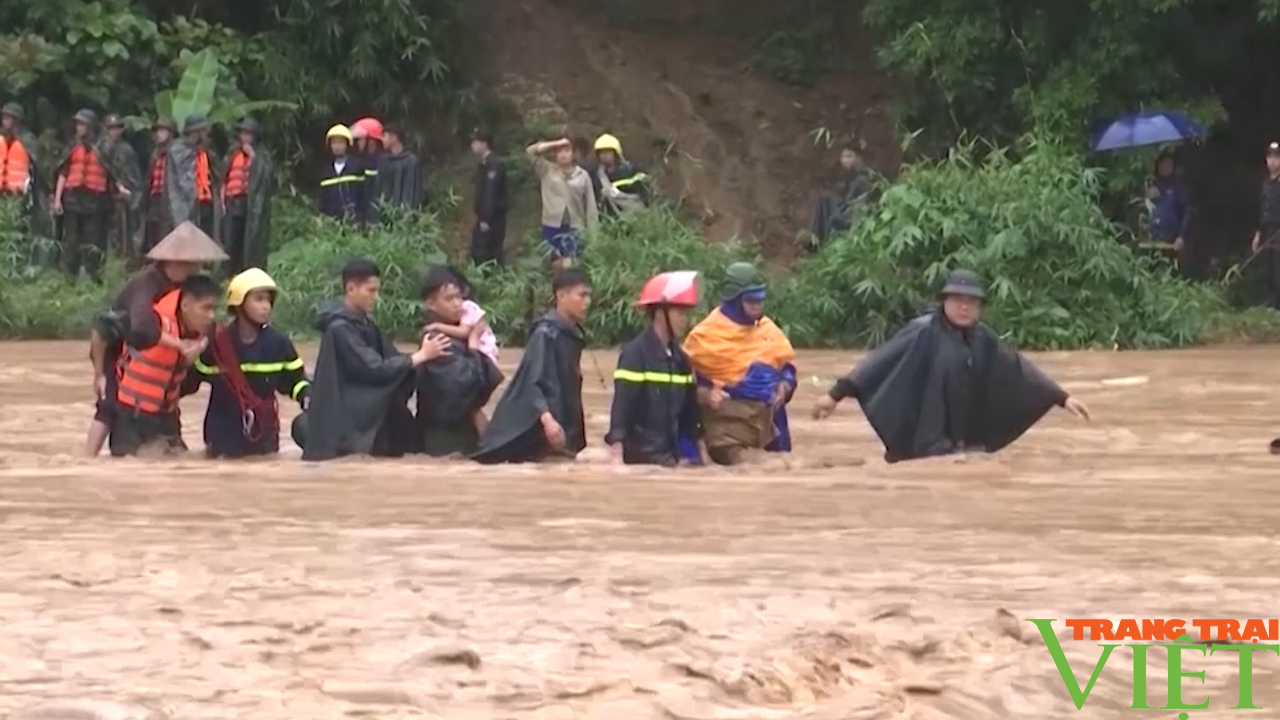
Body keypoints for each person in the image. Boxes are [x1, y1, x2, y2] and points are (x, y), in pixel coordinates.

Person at [812, 269, 1091, 462]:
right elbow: (878, 362)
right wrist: (835, 395)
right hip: (926, 440)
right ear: (945, 301)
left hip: (961, 443)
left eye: (971, 302)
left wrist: (1061, 397)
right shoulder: (922, 332)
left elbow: (1018, 370)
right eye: (958, 300)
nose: (964, 307)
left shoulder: (983, 338)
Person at [86, 222, 229, 456]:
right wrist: (99, 373)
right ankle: (86, 459)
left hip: (158, 360)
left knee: (166, 411)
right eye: (193, 263)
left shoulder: (186, 289)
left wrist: (199, 345)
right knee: (109, 405)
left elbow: (207, 323)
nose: (198, 268)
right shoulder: (146, 285)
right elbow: (142, 330)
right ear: (175, 262)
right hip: (119, 350)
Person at [301, 258, 452, 461]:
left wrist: (420, 359)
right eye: (370, 291)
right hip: (348, 417)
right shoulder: (340, 329)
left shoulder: (365, 324)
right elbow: (373, 368)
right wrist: (421, 356)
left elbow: (392, 359)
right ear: (351, 288)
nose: (376, 297)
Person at [182, 268, 310, 458]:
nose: (266, 306)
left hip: (264, 435)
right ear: (239, 303)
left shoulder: (279, 344)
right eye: (258, 299)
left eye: (268, 300)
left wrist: (308, 398)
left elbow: (295, 383)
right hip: (222, 437)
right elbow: (188, 384)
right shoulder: (216, 344)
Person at [473, 268, 592, 464]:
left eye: (588, 296)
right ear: (561, 295)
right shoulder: (545, 334)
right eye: (582, 295)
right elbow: (532, 380)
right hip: (541, 428)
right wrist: (548, 420)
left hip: (560, 428)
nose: (587, 302)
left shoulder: (570, 334)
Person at [682, 262, 797, 465]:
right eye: (751, 300)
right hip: (728, 429)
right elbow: (686, 388)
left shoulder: (767, 329)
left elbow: (787, 367)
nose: (757, 305)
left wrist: (785, 385)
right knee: (751, 468)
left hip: (770, 424)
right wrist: (708, 395)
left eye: (760, 299)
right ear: (734, 300)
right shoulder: (704, 337)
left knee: (786, 467)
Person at [108, 274, 221, 457]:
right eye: (206, 308)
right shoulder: (154, 321)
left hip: (167, 416)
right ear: (185, 305)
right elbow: (136, 334)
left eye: (214, 309)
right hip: (132, 415)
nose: (211, 316)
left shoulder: (201, 333)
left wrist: (193, 356)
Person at [606, 271, 705, 466]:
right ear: (660, 313)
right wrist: (616, 459)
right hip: (640, 461)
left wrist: (705, 459)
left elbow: (691, 416)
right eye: (680, 313)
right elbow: (621, 410)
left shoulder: (681, 359)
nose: (685, 320)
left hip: (670, 458)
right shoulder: (635, 355)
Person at [415, 266, 505, 456]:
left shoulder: (457, 331)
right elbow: (466, 385)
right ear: (431, 304)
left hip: (459, 432)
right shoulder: (436, 339)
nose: (457, 304)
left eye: (458, 297)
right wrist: (473, 346)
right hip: (445, 436)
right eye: (449, 299)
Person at [54, 109, 126, 279]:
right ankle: (69, 278)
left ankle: (94, 277)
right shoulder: (72, 146)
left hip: (95, 201)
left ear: (91, 127)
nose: (79, 128)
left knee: (93, 241)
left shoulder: (104, 147)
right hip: (72, 199)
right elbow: (63, 173)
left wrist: (120, 188)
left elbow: (113, 172)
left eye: (83, 124)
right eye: (78, 124)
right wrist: (57, 200)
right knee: (71, 240)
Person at [526, 137, 598, 270]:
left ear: (573, 153)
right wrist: (556, 143)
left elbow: (590, 206)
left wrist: (593, 234)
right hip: (552, 225)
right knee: (554, 264)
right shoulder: (547, 170)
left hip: (575, 226)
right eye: (559, 151)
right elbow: (530, 152)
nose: (563, 154)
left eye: (567, 150)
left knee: (571, 265)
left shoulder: (582, 175)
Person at [220, 118, 275, 275]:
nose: (246, 137)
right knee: (230, 240)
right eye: (243, 133)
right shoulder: (233, 153)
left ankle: (247, 273)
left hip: (250, 204)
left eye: (249, 134)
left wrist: (253, 156)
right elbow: (224, 176)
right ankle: (228, 274)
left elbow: (266, 177)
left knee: (249, 242)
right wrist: (222, 198)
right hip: (232, 201)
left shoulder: (261, 155)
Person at [808, 142, 875, 248]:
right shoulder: (848, 177)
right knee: (822, 199)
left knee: (826, 202)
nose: (845, 160)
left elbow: (859, 203)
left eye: (849, 156)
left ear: (859, 158)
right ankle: (814, 238)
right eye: (843, 157)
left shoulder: (863, 179)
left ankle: (817, 241)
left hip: (855, 215)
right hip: (846, 210)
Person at [165, 114, 219, 238]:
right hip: (187, 206)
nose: (206, 134)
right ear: (196, 132)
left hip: (205, 204)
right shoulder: (178, 150)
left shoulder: (206, 152)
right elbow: (183, 183)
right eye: (203, 131)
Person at [101, 114, 143, 259]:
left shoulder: (126, 150)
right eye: (111, 128)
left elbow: (133, 177)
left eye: (118, 128)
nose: (115, 131)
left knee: (123, 237)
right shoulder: (99, 148)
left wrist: (131, 196)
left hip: (121, 200)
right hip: (101, 198)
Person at [470, 128, 508, 268]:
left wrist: (486, 217)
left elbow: (491, 193)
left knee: (491, 251)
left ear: (484, 143)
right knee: (480, 251)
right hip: (483, 217)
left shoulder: (494, 165)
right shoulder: (483, 164)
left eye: (475, 142)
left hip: (493, 218)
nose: (472, 145)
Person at [370, 124, 424, 219]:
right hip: (385, 216)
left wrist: (406, 215)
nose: (382, 139)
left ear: (394, 138)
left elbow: (411, 191)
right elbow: (378, 190)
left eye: (385, 136)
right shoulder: (384, 161)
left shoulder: (410, 161)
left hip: (402, 217)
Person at [142, 117, 178, 251]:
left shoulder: (176, 152)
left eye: (162, 131)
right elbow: (149, 179)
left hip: (169, 200)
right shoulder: (155, 154)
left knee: (167, 234)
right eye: (158, 131)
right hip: (155, 199)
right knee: (153, 232)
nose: (158, 134)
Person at [591, 133, 648, 216]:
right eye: (601, 152)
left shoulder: (630, 171)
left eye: (608, 152)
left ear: (616, 153)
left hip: (631, 217)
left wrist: (620, 195)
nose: (604, 155)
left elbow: (643, 195)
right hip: (608, 219)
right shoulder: (596, 175)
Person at [1253, 142, 1280, 308]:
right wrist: (1258, 234)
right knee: (1269, 270)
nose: (1273, 161)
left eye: (1277, 157)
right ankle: (1271, 308)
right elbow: (1263, 210)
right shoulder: (1266, 184)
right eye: (1270, 157)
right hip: (1267, 231)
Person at [318, 124, 365, 222]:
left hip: (355, 222)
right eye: (334, 143)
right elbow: (323, 201)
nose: (337, 146)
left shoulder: (357, 166)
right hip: (333, 223)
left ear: (347, 144)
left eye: (340, 143)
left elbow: (364, 195)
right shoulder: (326, 171)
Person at [0, 102, 39, 207]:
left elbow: (37, 166)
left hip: (18, 193)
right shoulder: (1, 137)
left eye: (8, 117)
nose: (4, 120)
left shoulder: (27, 139)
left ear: (17, 120)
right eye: (4, 117)